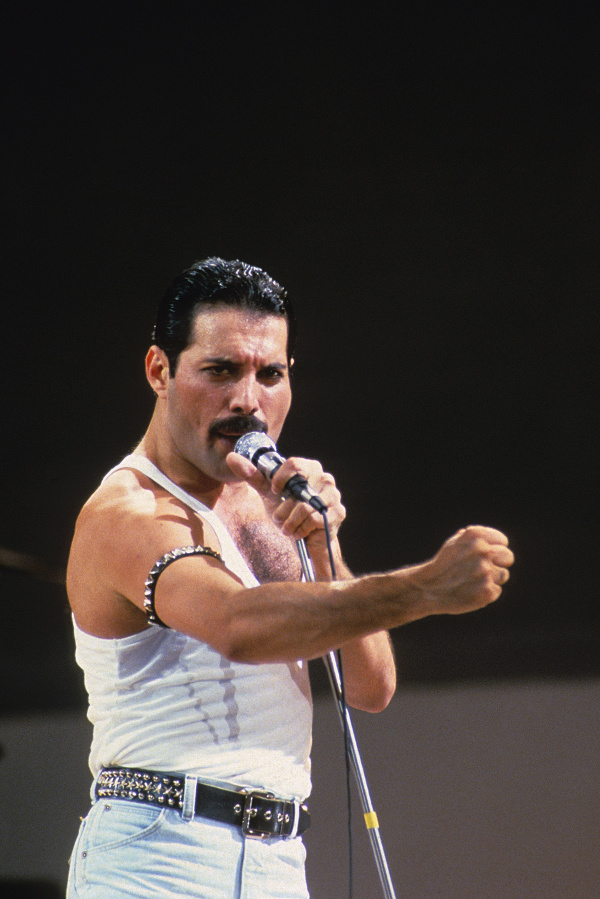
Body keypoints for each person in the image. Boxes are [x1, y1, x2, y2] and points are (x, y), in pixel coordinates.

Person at [66, 257, 514, 898]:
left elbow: (369, 685)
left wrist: (323, 547)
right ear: (159, 370)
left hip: (277, 858)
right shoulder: (130, 512)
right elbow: (239, 627)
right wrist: (425, 587)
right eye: (220, 370)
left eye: (269, 374)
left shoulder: (266, 503)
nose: (248, 400)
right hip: (159, 856)